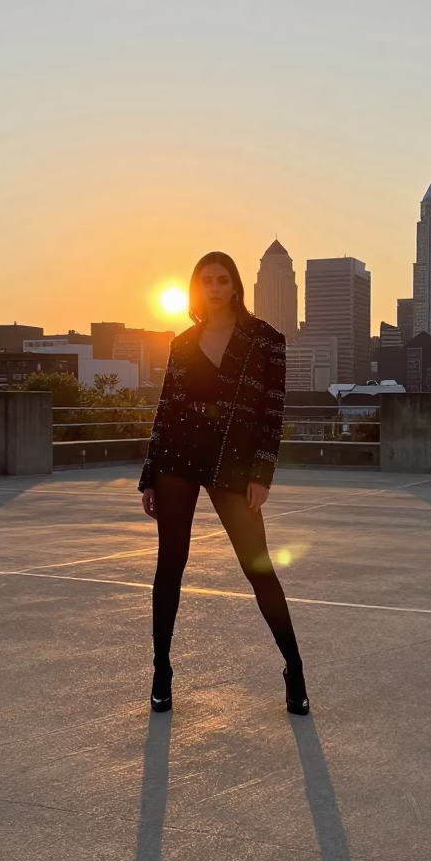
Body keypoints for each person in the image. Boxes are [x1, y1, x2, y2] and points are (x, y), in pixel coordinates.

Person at [140, 251, 309, 716]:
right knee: (169, 566)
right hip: (177, 459)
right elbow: (165, 411)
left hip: (234, 467)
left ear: (235, 286)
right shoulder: (182, 343)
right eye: (206, 281)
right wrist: (150, 478)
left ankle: (293, 668)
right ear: (197, 289)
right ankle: (161, 670)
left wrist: (262, 474)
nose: (214, 288)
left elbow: (272, 411)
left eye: (222, 280)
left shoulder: (266, 341)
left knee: (258, 569)